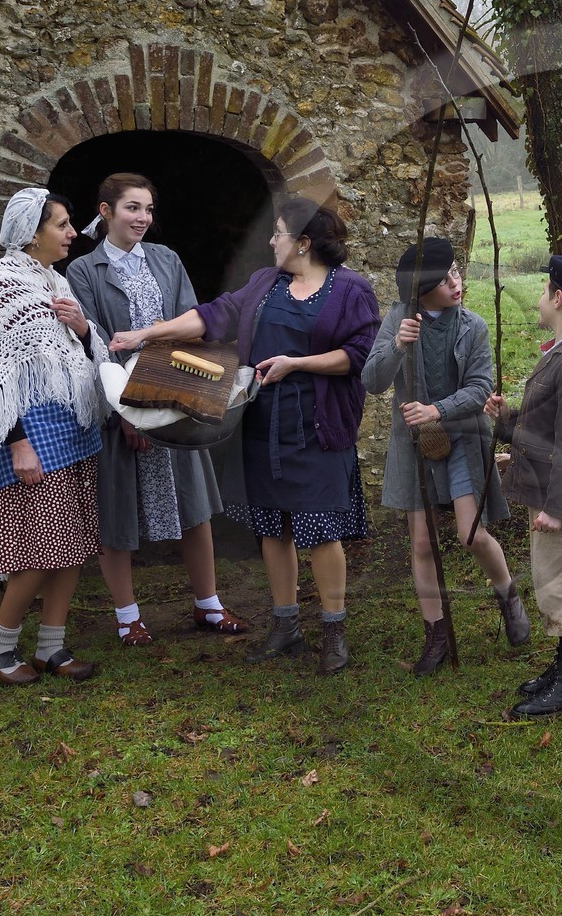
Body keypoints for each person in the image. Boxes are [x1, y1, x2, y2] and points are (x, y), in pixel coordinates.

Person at [109, 197, 380, 676]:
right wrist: (145, 336)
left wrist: (298, 364)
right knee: (272, 530)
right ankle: (286, 626)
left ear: (304, 242)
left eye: (278, 233)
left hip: (317, 425)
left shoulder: (350, 289)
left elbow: (359, 354)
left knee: (320, 532)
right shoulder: (265, 283)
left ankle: (333, 630)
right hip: (261, 426)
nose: (271, 241)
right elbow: (213, 315)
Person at [66, 173, 238, 645]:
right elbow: (94, 345)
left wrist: (162, 399)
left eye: (147, 210)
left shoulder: (166, 259)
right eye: (132, 209)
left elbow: (190, 326)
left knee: (195, 506)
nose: (143, 219)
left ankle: (209, 606)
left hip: (174, 394)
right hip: (119, 403)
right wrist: (129, 412)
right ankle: (127, 617)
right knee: (116, 511)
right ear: (106, 212)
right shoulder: (83, 271)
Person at [361, 238, 529, 675]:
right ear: (421, 292)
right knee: (421, 542)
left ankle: (508, 594)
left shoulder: (472, 326)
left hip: (461, 438)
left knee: (469, 534)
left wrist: (438, 409)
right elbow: (372, 381)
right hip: (415, 445)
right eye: (445, 279)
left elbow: (479, 388)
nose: (457, 283)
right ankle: (435, 635)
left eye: (456, 272)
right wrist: (397, 347)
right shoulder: (398, 319)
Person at [0, 187, 108, 684]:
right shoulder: (2, 284)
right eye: (62, 224)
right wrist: (17, 442)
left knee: (72, 543)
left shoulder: (57, 281)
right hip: (30, 436)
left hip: (74, 430)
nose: (73, 233)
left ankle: (51, 645)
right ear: (32, 233)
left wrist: (84, 329)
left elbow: (80, 350)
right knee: (38, 548)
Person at [485, 255, 562, 717]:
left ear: (558, 299)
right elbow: (547, 427)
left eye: (544, 290)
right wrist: (506, 422)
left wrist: (557, 508)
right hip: (553, 490)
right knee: (551, 580)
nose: (540, 297)